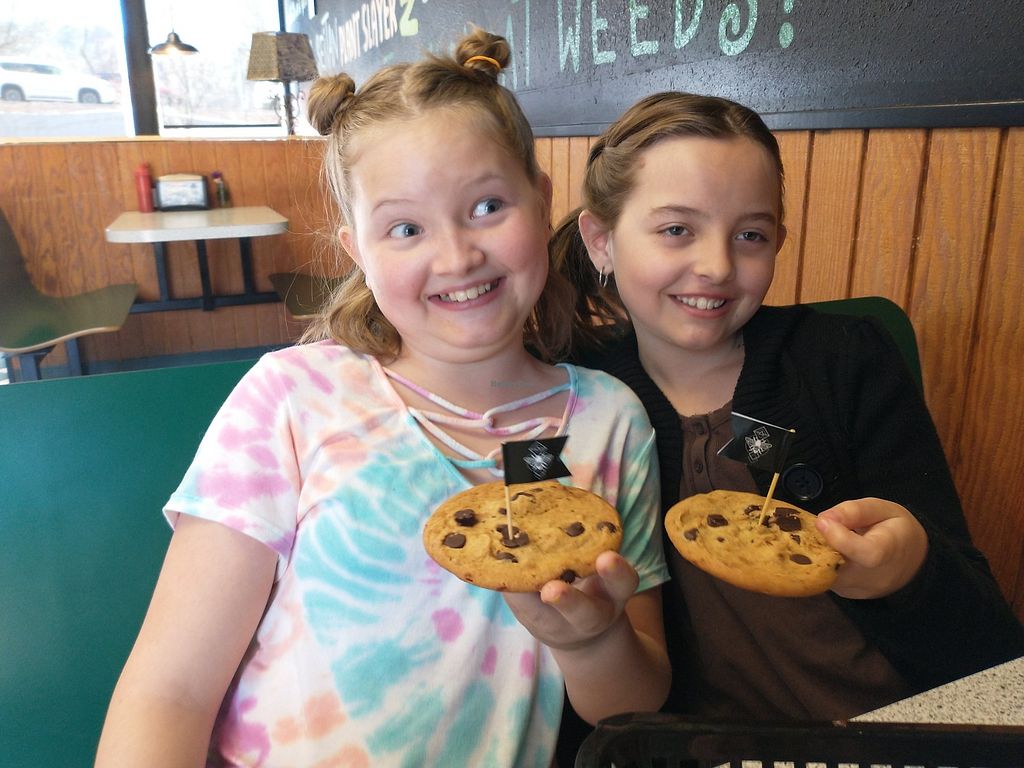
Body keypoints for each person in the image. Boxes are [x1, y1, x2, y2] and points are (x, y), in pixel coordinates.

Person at [95, 30, 670, 768]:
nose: (456, 255)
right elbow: (169, 691)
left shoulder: (609, 421)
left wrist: (592, 641)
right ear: (357, 251)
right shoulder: (292, 399)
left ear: (541, 199)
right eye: (405, 228)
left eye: (488, 205)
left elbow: (630, 709)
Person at [552, 91, 1024, 729]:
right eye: (676, 230)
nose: (717, 266)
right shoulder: (578, 403)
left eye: (750, 235)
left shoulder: (845, 361)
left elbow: (989, 646)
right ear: (600, 240)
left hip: (901, 729)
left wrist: (909, 567)